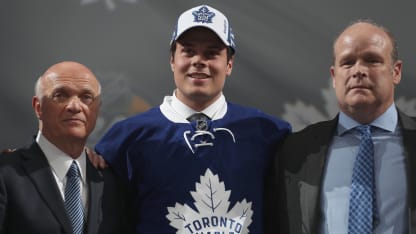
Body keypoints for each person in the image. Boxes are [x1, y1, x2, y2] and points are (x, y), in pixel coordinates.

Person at [94, 4, 291, 234]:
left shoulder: (268, 133)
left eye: (212, 53)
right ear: (172, 60)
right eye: (188, 51)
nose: (199, 60)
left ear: (229, 64)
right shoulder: (125, 137)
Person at [271, 20, 416, 233]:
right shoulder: (295, 150)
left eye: (372, 60)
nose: (358, 70)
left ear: (396, 71)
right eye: (347, 62)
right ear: (334, 76)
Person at [0, 61, 129, 233]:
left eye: (86, 97)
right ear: (38, 107)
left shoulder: (112, 180)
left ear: (97, 109)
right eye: (60, 95)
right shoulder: (5, 173)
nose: (75, 106)